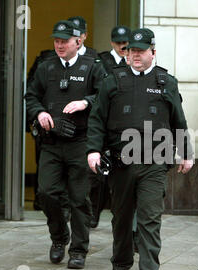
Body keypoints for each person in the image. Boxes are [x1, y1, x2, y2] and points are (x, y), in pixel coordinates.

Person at [86, 28, 193, 270]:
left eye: (140, 51)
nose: (134, 55)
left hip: (155, 162)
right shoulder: (113, 80)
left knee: (149, 218)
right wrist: (93, 150)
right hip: (121, 162)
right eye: (130, 50)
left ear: (152, 52)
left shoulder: (166, 81)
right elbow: (97, 118)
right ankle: (121, 263)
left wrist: (186, 152)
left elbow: (178, 120)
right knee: (121, 217)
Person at [25, 20, 106, 269]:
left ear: (78, 41)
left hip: (80, 142)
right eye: (56, 41)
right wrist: (38, 113)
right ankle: (59, 238)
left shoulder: (93, 66)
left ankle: (79, 250)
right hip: (51, 142)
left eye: (64, 41)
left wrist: (86, 102)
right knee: (47, 193)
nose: (59, 45)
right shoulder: (46, 67)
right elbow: (31, 96)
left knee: (80, 198)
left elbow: (106, 95)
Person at [88, 25, 132, 229]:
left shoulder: (134, 61)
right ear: (112, 42)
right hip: (106, 120)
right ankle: (93, 215)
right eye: (119, 43)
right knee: (99, 177)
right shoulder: (101, 61)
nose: (123, 46)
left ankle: (121, 220)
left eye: (125, 43)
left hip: (125, 122)